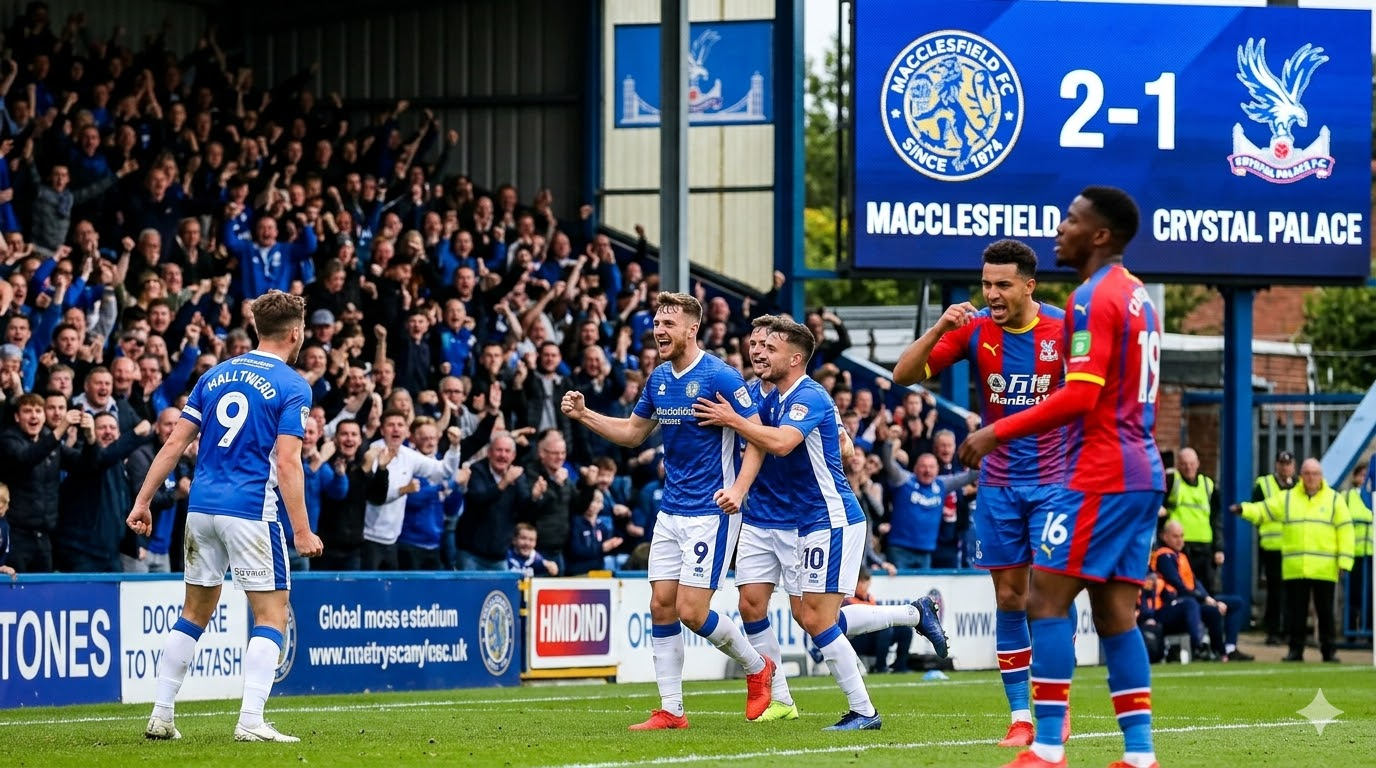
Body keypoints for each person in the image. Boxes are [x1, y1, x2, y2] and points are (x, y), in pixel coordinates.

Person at [960, 186, 1163, 768]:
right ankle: (1140, 754)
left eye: (1072, 219)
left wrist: (997, 432)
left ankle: (1046, 747)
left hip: (1099, 471)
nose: (1061, 226)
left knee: (1044, 600)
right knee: (1114, 613)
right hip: (1141, 468)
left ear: (1100, 234)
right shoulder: (1137, 295)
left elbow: (1080, 395)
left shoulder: (1090, 298)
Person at [695, 317, 947, 731]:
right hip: (771, 518)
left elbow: (779, 443)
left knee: (815, 619)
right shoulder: (765, 394)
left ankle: (865, 710)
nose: (759, 352)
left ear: (794, 358)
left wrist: (733, 420)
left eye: (768, 347)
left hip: (824, 519)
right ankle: (781, 697)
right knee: (756, 605)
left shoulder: (808, 395)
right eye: (755, 345)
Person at [561, 292, 775, 730]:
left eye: (668, 323)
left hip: (712, 509)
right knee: (661, 605)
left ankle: (758, 668)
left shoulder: (721, 375)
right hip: (672, 509)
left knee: (692, 612)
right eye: (656, 322)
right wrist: (585, 416)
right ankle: (672, 711)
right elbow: (633, 433)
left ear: (691, 329)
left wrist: (738, 487)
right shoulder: (659, 378)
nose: (659, 330)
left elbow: (759, 437)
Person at [891, 238, 1074, 747]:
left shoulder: (1065, 327)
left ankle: (1057, 705)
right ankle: (1021, 718)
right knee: (1009, 596)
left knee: (1052, 595)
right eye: (986, 283)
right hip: (997, 486)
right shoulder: (972, 329)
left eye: (1002, 284)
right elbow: (902, 374)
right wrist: (939, 328)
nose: (991, 293)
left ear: (1029, 286)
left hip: (1056, 481)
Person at [127, 290, 323, 743]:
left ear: (257, 329)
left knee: (193, 613)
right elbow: (290, 463)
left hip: (201, 508)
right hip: (252, 509)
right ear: (295, 334)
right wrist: (301, 528)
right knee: (271, 616)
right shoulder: (293, 385)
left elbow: (175, 444)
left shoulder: (216, 375)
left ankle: (161, 714)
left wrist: (142, 501)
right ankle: (251, 720)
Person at [1231, 458, 1353, 663]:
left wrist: (1345, 562)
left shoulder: (1334, 500)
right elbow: (1264, 510)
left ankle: (1329, 650)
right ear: (1301, 476)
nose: (1311, 478)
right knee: (1296, 612)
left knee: (1325, 612)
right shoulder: (1288, 498)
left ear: (1321, 476)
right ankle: (1295, 650)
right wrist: (1244, 509)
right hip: (1295, 567)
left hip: (1324, 567)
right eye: (1307, 473)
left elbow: (1346, 531)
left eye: (1315, 473)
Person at [1150, 520, 1252, 662]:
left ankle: (1230, 648)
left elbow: (1194, 582)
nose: (1180, 540)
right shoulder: (1164, 556)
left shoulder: (1181, 556)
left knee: (1236, 603)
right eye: (1175, 536)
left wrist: (1208, 598)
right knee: (1201, 607)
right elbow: (1178, 586)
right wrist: (1205, 600)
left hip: (1191, 599)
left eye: (1182, 536)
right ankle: (1204, 648)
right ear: (1164, 536)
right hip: (1170, 604)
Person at [1161, 447, 1223, 594]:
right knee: (1185, 587)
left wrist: (1218, 548)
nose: (1188, 467)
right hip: (1181, 546)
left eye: (1191, 463)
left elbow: (1216, 519)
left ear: (1198, 463)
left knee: (1208, 589)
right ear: (1178, 465)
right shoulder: (1172, 481)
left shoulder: (1208, 484)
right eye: (1184, 464)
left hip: (1204, 547)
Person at [1251, 451, 1297, 645]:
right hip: (1272, 547)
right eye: (1281, 463)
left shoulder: (1299, 487)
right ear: (1276, 465)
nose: (1285, 467)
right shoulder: (1264, 484)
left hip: (1294, 547)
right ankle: (1273, 631)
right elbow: (1256, 511)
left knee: (1292, 592)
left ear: (1293, 466)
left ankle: (1290, 631)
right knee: (1275, 591)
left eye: (1288, 464)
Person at [844, 569, 913, 673]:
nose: (865, 586)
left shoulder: (870, 598)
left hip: (872, 636)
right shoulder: (847, 600)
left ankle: (900, 665)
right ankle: (880, 666)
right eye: (862, 582)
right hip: (855, 639)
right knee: (885, 630)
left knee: (905, 630)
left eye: (867, 583)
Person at [1340, 463, 1372, 639]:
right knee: (1353, 594)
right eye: (1361, 475)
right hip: (1353, 554)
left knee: (1371, 596)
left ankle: (1369, 633)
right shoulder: (1347, 497)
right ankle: (1350, 632)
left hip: (1371, 554)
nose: (1364, 479)